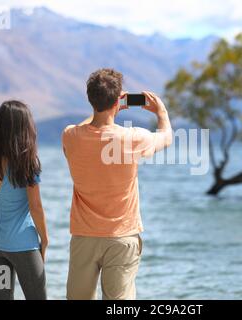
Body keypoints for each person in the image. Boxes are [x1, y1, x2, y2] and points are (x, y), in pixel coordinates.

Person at [63, 68, 172, 300]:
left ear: (90, 99)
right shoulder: (133, 138)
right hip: (123, 236)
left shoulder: (70, 136)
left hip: (84, 236)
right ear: (117, 101)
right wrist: (161, 111)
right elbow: (166, 137)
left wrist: (102, 110)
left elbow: (87, 124)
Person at [0, 100, 49, 300]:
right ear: (25, 128)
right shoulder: (28, 161)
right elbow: (36, 207)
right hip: (24, 248)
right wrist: (45, 240)